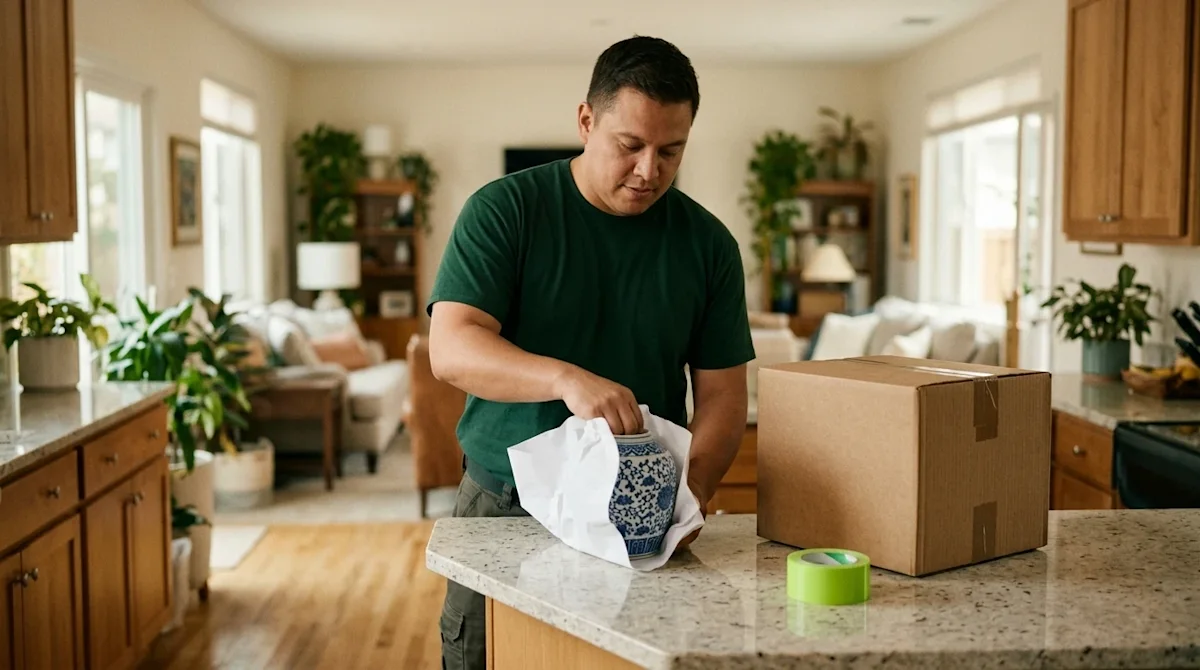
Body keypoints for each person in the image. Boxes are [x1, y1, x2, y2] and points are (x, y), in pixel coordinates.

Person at [426, 34, 756, 670]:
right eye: (629, 146)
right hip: (504, 502)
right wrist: (564, 379)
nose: (648, 170)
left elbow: (722, 396)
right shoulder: (506, 211)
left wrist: (689, 495)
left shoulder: (710, 247)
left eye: (671, 151)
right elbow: (452, 348)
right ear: (586, 120)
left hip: (640, 516)